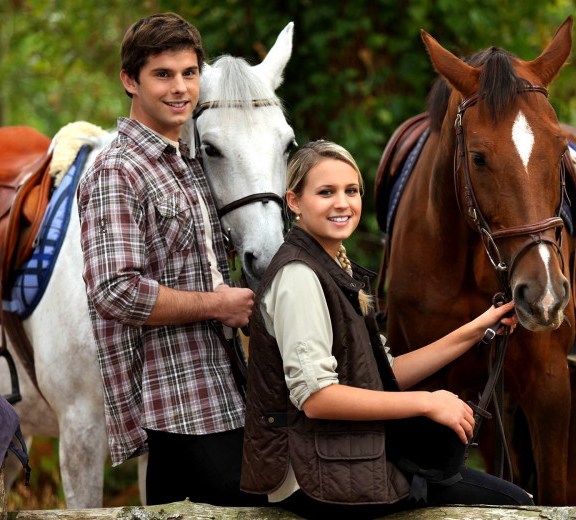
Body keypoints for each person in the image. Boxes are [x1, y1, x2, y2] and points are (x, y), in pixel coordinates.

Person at [240, 140, 534, 518]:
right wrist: (428, 402)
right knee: (516, 509)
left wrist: (478, 327)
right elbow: (317, 398)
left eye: (351, 191)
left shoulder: (331, 268)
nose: (342, 203)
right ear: (294, 202)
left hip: (344, 456)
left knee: (511, 501)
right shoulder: (299, 277)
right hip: (314, 475)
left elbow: (384, 372)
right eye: (325, 192)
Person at [78, 13, 262, 506]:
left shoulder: (186, 163)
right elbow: (115, 289)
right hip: (176, 407)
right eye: (163, 74)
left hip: (225, 393)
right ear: (129, 81)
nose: (180, 88)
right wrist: (216, 305)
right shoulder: (116, 171)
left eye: (189, 73)